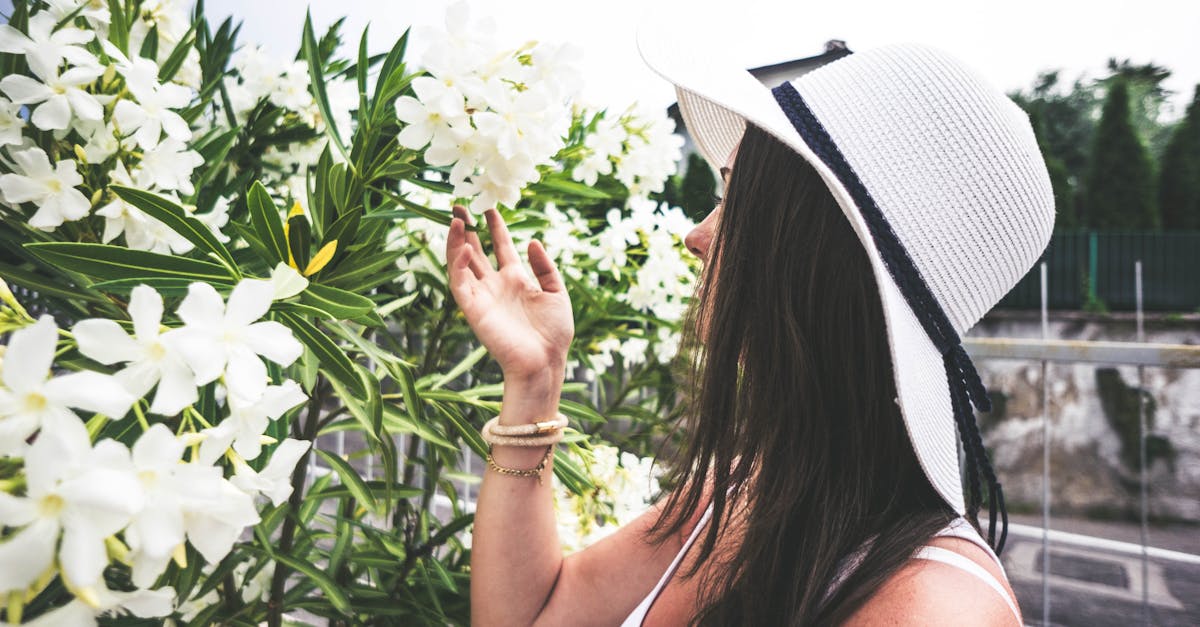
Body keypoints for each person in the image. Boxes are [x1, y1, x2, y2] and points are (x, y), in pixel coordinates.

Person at [445, 35, 1054, 626]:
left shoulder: (934, 609)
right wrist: (536, 379)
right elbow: (531, 617)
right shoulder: (733, 495)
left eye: (732, 194)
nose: (696, 235)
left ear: (816, 251)